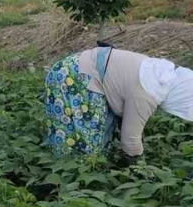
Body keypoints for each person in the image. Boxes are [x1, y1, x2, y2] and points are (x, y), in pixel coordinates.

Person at [45, 45, 193, 162]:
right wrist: (140, 171)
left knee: (96, 139)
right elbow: (130, 141)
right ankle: (68, 186)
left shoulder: (157, 75)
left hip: (80, 69)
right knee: (85, 143)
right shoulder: (147, 94)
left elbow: (132, 123)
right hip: (73, 76)